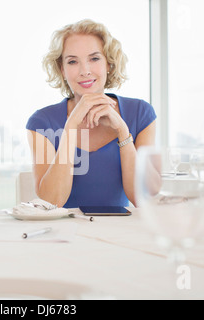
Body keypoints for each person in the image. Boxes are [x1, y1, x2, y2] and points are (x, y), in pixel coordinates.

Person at [26, 19, 156, 208]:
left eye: (94, 59)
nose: (85, 71)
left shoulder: (140, 113)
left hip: (120, 232)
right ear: (62, 70)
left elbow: (142, 198)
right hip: (64, 233)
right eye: (72, 61)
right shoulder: (42, 122)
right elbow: (50, 202)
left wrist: (121, 130)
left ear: (109, 64)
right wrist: (70, 126)